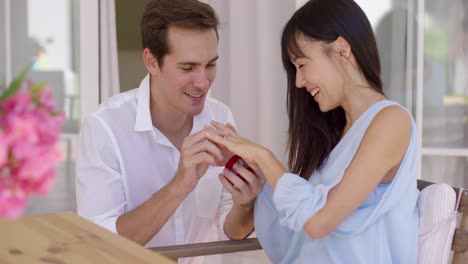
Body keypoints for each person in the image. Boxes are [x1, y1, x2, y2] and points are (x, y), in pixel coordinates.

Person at [206, 0, 419, 263]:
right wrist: (253, 189)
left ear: (342, 50)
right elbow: (247, 233)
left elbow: (319, 222)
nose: (298, 82)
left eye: (302, 64)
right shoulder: (333, 135)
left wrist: (263, 157)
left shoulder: (391, 122)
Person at [75, 1, 263, 263]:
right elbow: (96, 244)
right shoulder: (105, 127)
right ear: (151, 61)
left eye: (210, 65)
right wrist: (180, 185)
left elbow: (230, 230)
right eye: (188, 68)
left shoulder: (220, 117)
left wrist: (246, 205)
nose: (203, 82)